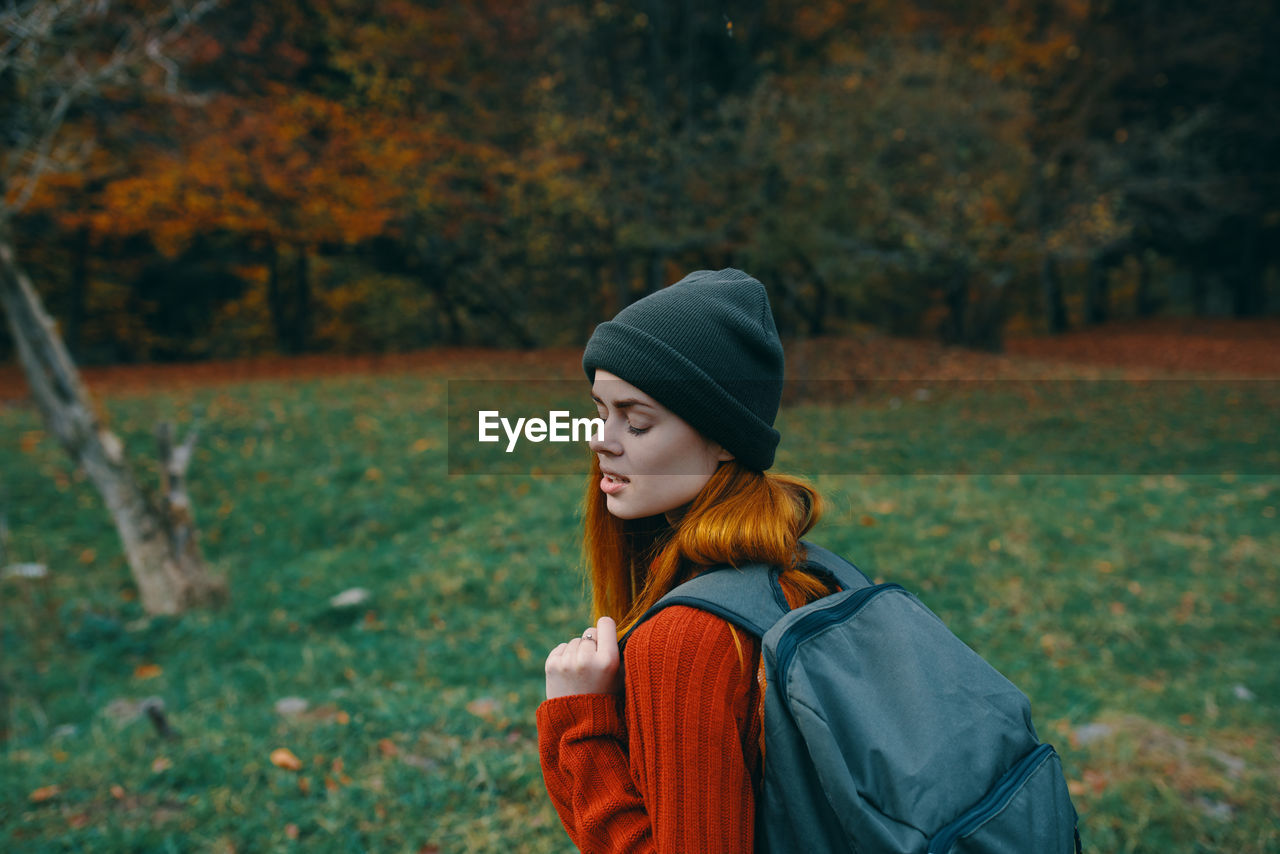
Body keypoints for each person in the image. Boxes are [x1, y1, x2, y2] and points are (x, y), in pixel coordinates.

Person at [537, 268, 838, 852]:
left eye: (638, 420)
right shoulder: (800, 574)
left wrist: (578, 722)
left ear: (725, 440)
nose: (602, 440)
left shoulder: (684, 641)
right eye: (601, 411)